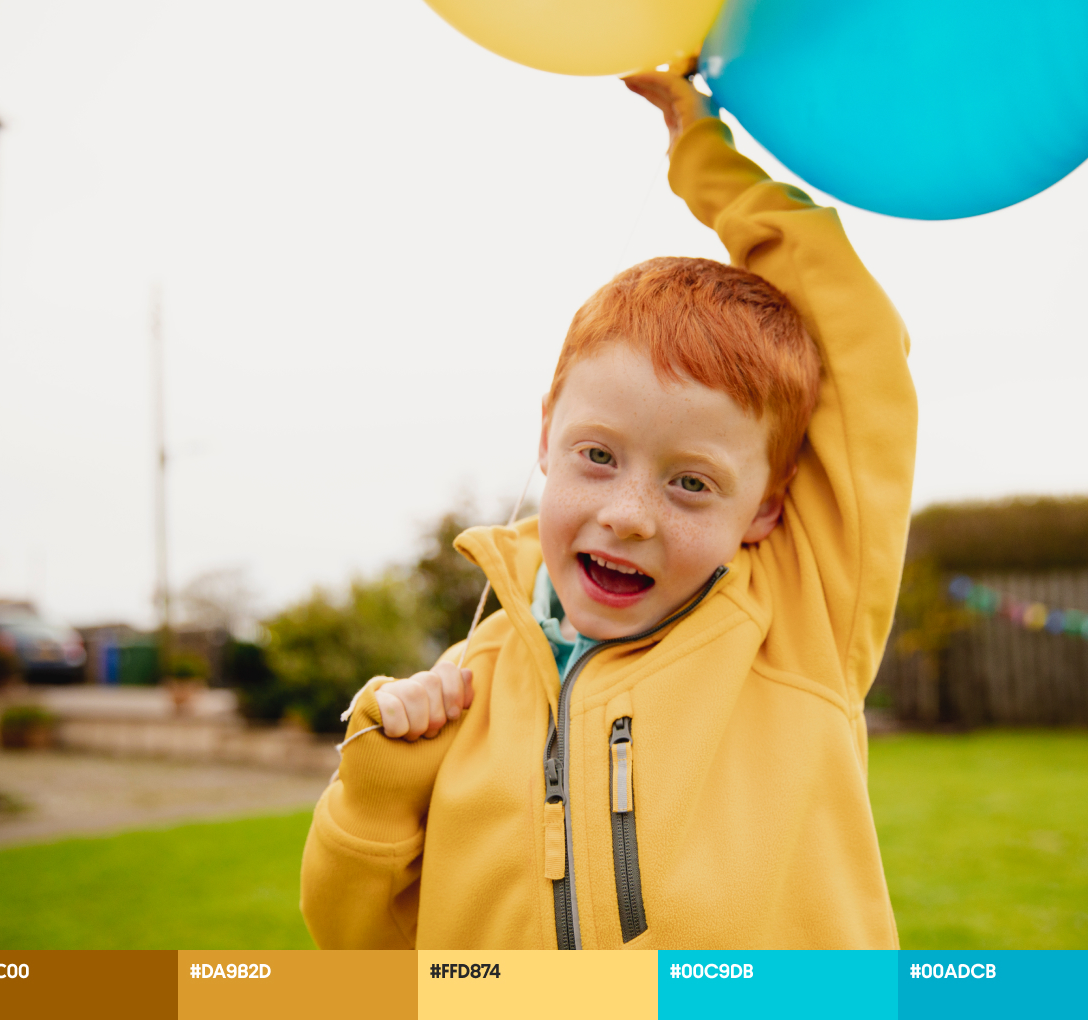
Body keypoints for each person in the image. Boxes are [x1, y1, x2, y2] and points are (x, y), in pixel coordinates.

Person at [299, 65, 917, 950]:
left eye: (691, 483)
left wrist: (703, 157)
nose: (629, 514)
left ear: (767, 509)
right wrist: (377, 791)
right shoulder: (467, 688)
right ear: (547, 436)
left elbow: (859, 340)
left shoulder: (801, 617)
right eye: (598, 456)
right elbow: (358, 953)